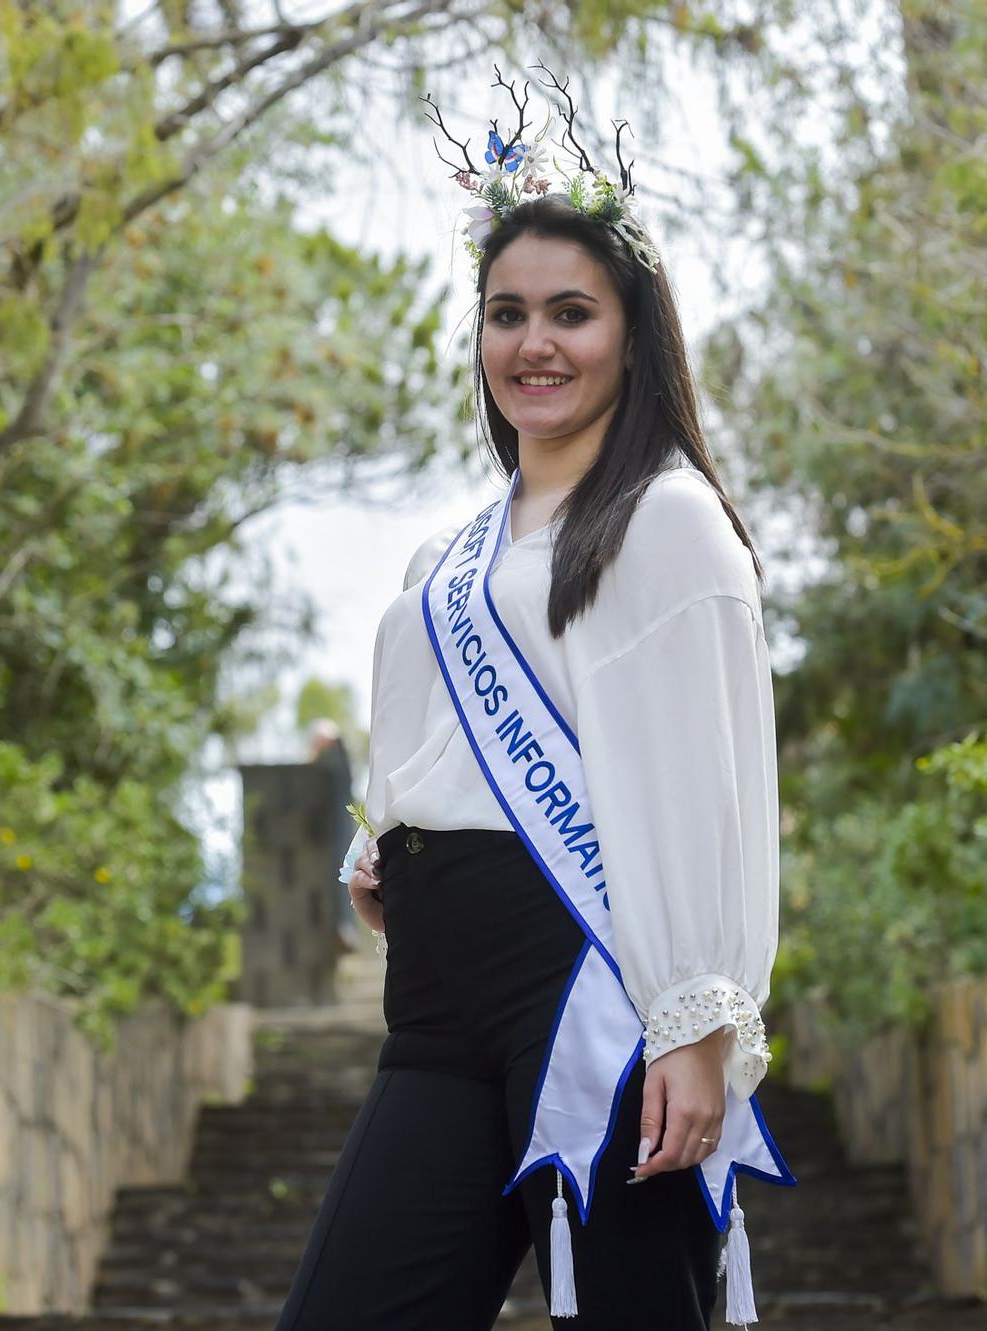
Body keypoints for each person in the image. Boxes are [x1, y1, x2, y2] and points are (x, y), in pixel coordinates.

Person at [275, 72, 790, 1331]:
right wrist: (379, 839)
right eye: (506, 314)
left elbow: (702, 784)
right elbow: (424, 734)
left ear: (632, 332)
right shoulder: (444, 557)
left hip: (591, 979)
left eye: (571, 311)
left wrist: (697, 1021)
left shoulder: (665, 522)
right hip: (437, 991)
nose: (534, 343)